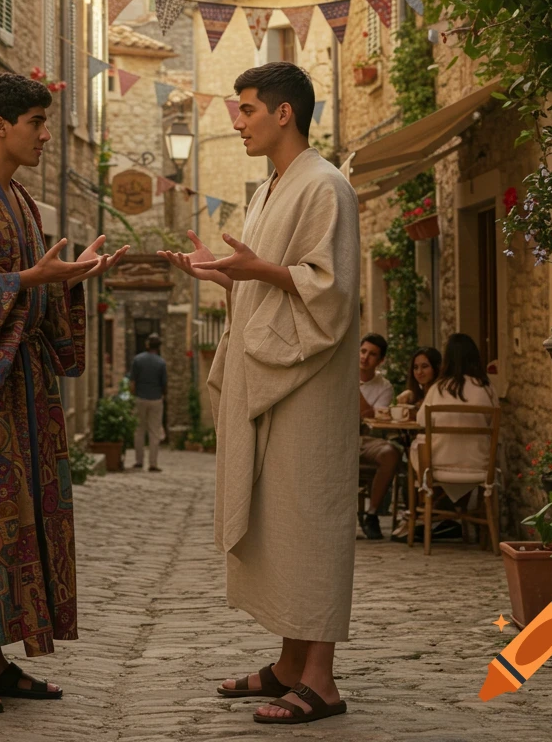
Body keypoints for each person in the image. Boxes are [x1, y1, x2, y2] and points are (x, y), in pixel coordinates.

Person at [0, 72, 127, 715]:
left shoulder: (21, 200)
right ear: (0, 126)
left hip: (22, 395)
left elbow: (27, 283)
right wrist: (33, 276)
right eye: (38, 122)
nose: (45, 134)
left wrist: (65, 280)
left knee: (15, 525)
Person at [159, 62, 359, 726]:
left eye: (245, 109)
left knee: (312, 520)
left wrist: (258, 271)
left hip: (307, 384)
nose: (235, 121)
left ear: (283, 114)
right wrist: (227, 277)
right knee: (281, 523)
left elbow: (328, 291)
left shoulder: (326, 186)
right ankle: (286, 665)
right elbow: (274, 284)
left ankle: (322, 680)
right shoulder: (272, 189)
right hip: (273, 376)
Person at [410, 334, 499, 486]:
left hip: (440, 465)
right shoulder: (487, 388)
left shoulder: (438, 388)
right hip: (479, 465)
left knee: (415, 446)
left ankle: (430, 501)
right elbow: (493, 422)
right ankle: (465, 505)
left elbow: (421, 421)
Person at [357, 333, 400, 540]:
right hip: (333, 438)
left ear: (380, 360)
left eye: (372, 354)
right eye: (363, 351)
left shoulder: (384, 387)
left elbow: (371, 418)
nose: (365, 357)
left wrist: (353, 389)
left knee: (390, 453)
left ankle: (371, 513)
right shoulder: (339, 375)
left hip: (364, 438)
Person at [129, 333, 167, 472]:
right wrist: (162, 396)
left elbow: (132, 383)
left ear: (147, 345)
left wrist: (134, 395)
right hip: (156, 399)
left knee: (139, 430)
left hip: (140, 398)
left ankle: (139, 461)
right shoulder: (161, 363)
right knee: (154, 431)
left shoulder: (138, 360)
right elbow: (164, 385)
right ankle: (153, 463)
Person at [396, 346, 442, 411]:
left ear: (436, 368)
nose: (419, 372)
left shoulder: (442, 393)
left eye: (424, 366)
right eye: (415, 367)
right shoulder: (413, 395)